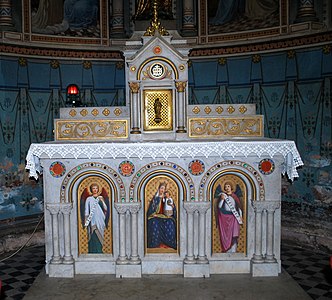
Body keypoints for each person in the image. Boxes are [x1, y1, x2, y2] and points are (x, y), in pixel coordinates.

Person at [147, 182, 177, 249]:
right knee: (154, 222)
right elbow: (151, 209)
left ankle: (169, 244)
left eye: (164, 189)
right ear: (159, 188)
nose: (162, 190)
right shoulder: (155, 199)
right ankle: (155, 244)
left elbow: (173, 207)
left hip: (166, 216)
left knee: (170, 222)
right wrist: (153, 213)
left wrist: (172, 208)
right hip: (156, 216)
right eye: (161, 188)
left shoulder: (167, 198)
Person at [215, 181, 243, 253]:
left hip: (234, 218)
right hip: (224, 217)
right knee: (225, 235)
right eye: (225, 187)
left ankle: (233, 250)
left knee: (234, 233)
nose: (227, 188)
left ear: (231, 187)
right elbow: (219, 207)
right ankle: (226, 249)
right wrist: (222, 199)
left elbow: (239, 208)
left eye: (228, 186)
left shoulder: (235, 197)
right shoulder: (223, 196)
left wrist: (240, 216)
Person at [84, 183, 108, 253]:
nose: (95, 190)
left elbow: (105, 208)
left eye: (96, 188)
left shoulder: (100, 198)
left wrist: (102, 200)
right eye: (93, 188)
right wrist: (87, 220)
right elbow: (86, 210)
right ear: (91, 189)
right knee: (93, 235)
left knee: (100, 234)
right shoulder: (89, 199)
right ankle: (92, 251)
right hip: (92, 220)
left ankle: (99, 250)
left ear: (98, 189)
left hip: (100, 219)